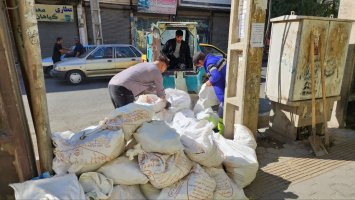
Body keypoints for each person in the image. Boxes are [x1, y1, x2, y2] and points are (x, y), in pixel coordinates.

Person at [193, 51, 226, 133]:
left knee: (222, 108)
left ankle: (221, 132)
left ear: (200, 61)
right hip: (227, 83)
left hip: (226, 91)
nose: (200, 67)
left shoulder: (209, 64)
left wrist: (209, 82)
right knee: (222, 107)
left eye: (198, 65)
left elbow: (216, 76)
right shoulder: (214, 58)